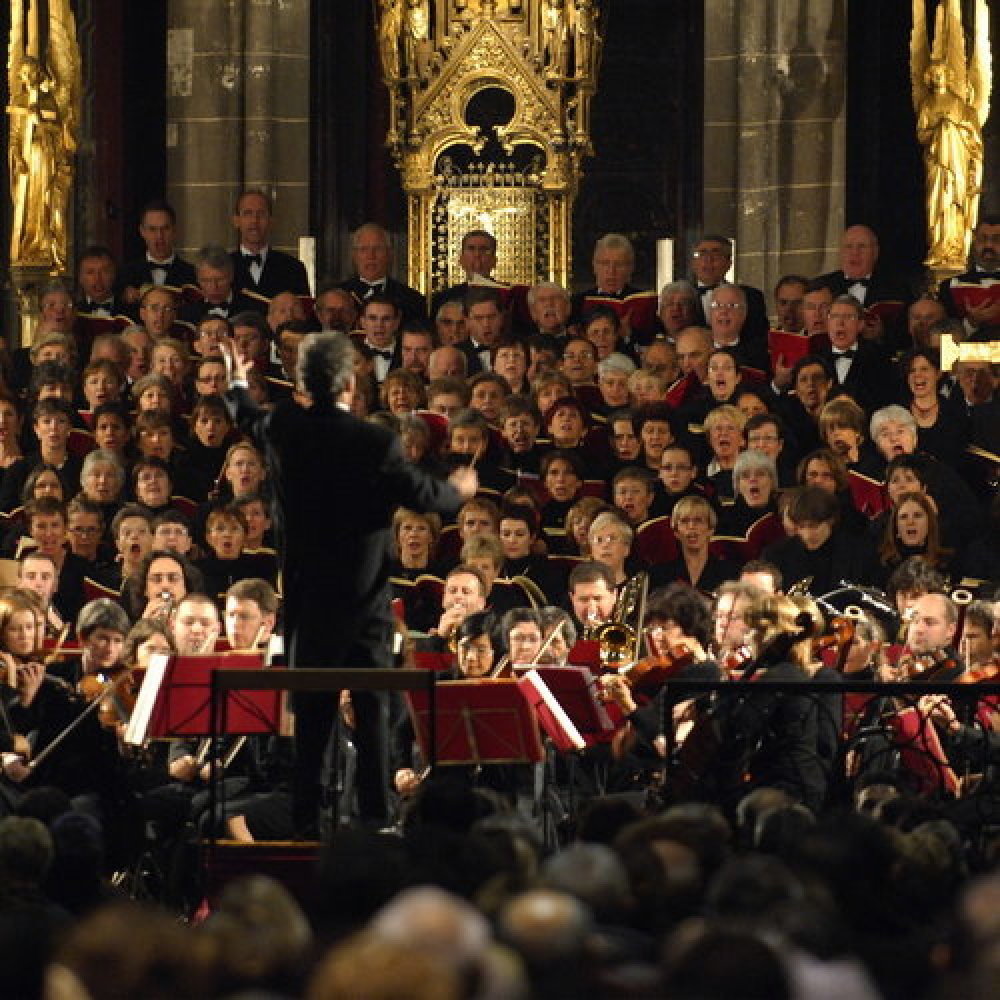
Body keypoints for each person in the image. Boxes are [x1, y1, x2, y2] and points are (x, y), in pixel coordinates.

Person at [231, 331, 475, 833]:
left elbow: (249, 418)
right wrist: (459, 491)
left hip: (307, 606)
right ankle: (375, 823)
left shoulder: (285, 427)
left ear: (303, 383)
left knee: (313, 727)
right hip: (365, 609)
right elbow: (425, 497)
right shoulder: (372, 440)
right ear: (348, 384)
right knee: (372, 719)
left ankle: (303, 829)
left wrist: (236, 381)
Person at [230, 190, 310, 300]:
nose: (254, 221)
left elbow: (302, 313)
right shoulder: (223, 268)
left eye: (261, 214)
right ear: (236, 221)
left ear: (271, 221)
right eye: (248, 213)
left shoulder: (294, 268)